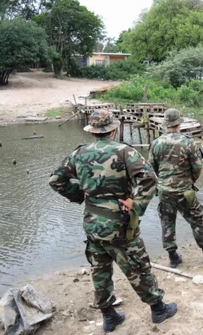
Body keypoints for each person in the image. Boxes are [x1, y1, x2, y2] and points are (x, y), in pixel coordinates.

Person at [49, 110, 177, 332]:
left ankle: (109, 316)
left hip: (92, 222)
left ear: (92, 132)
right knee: (137, 265)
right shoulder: (125, 151)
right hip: (118, 222)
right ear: (114, 129)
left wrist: (80, 195)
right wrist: (136, 204)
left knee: (99, 268)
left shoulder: (78, 153)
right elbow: (149, 178)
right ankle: (158, 309)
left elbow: (55, 180)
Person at [149, 108, 203, 268]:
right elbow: (197, 167)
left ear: (166, 124)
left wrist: (163, 182)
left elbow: (151, 168)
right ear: (179, 123)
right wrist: (190, 181)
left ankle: (173, 258)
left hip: (165, 191)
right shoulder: (188, 142)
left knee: (167, 223)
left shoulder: (156, 143)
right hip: (184, 190)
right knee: (196, 219)